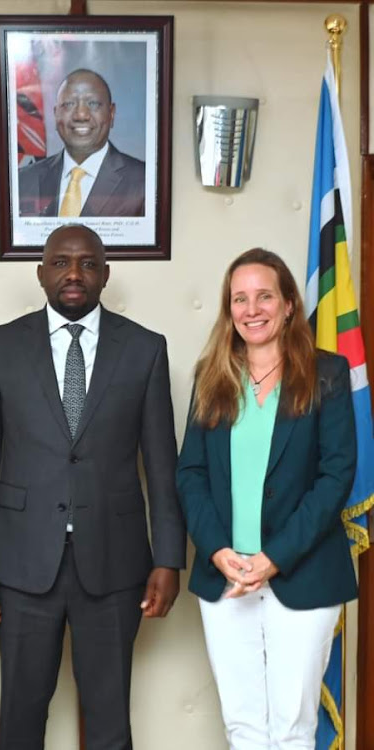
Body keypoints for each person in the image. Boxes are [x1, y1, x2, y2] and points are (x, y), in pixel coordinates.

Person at [0, 224, 185, 750]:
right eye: (61, 263)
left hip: (115, 563)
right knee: (20, 715)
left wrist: (168, 559)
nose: (75, 274)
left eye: (87, 264)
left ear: (106, 274)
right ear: (41, 273)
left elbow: (161, 465)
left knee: (109, 721)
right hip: (19, 565)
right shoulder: (1, 346)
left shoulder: (146, 349)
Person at [177, 247, 358, 750]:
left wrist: (273, 559)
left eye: (264, 297)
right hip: (226, 575)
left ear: (288, 305)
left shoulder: (327, 374)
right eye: (239, 299)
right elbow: (190, 473)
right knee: (243, 727)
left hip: (302, 572)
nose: (251, 310)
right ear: (228, 308)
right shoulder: (211, 376)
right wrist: (217, 549)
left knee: (292, 728)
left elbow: (336, 476)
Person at [18, 69, 145, 217]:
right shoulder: (23, 180)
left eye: (93, 104)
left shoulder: (143, 181)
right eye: (69, 104)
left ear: (111, 113)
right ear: (56, 114)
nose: (81, 115)